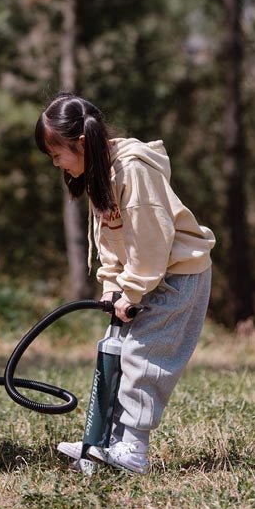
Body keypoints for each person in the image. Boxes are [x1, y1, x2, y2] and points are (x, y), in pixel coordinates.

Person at [35, 93, 214, 475]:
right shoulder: (99, 172)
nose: (58, 165)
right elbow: (109, 236)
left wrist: (130, 290)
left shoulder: (132, 169)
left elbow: (151, 242)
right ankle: (103, 445)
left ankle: (132, 450)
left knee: (144, 358)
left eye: (57, 155)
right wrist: (111, 284)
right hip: (147, 277)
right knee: (114, 352)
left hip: (177, 276)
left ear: (81, 143)